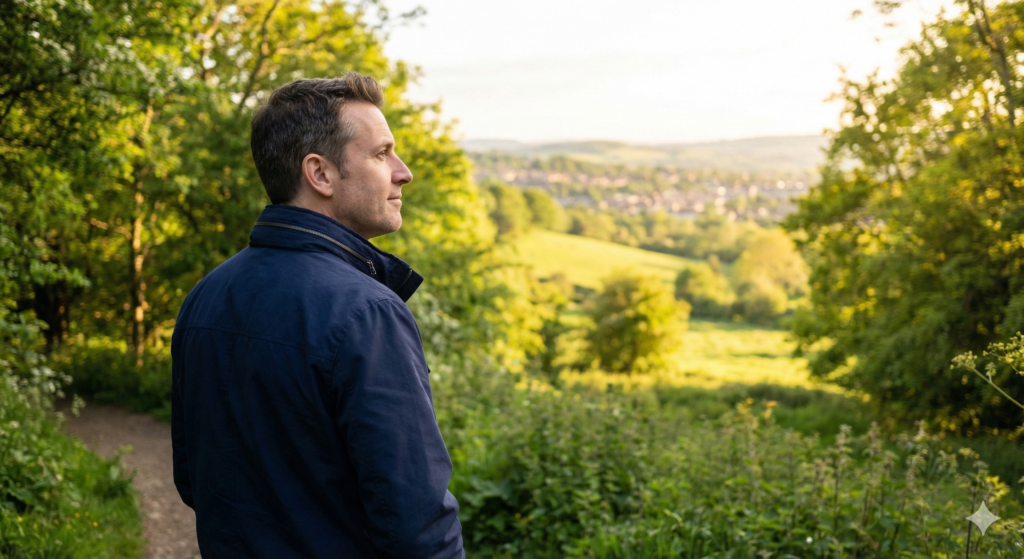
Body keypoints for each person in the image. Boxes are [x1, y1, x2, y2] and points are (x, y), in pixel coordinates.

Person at [171, 73, 464, 558]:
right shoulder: (368, 314)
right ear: (320, 174)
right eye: (380, 154)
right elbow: (416, 523)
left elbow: (192, 481)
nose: (403, 171)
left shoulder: (205, 296)